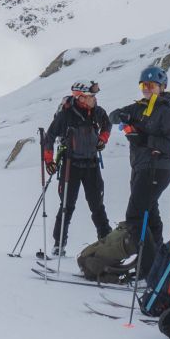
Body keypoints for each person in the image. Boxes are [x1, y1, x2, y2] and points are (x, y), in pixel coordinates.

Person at [108, 65, 170, 267]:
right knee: (150, 215)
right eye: (144, 85)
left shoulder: (169, 112)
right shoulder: (139, 107)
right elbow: (112, 116)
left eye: (151, 85)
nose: (147, 89)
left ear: (162, 87)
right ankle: (159, 262)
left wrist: (144, 138)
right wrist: (122, 117)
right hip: (140, 168)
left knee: (134, 216)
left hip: (157, 169)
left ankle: (147, 266)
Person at [42, 81, 112, 255]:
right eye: (90, 97)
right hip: (70, 165)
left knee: (97, 205)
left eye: (94, 97)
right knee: (67, 205)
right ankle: (59, 244)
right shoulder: (65, 115)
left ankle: (107, 241)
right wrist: (49, 161)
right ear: (80, 97)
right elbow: (49, 137)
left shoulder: (98, 112)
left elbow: (107, 125)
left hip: (92, 164)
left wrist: (103, 139)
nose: (93, 100)